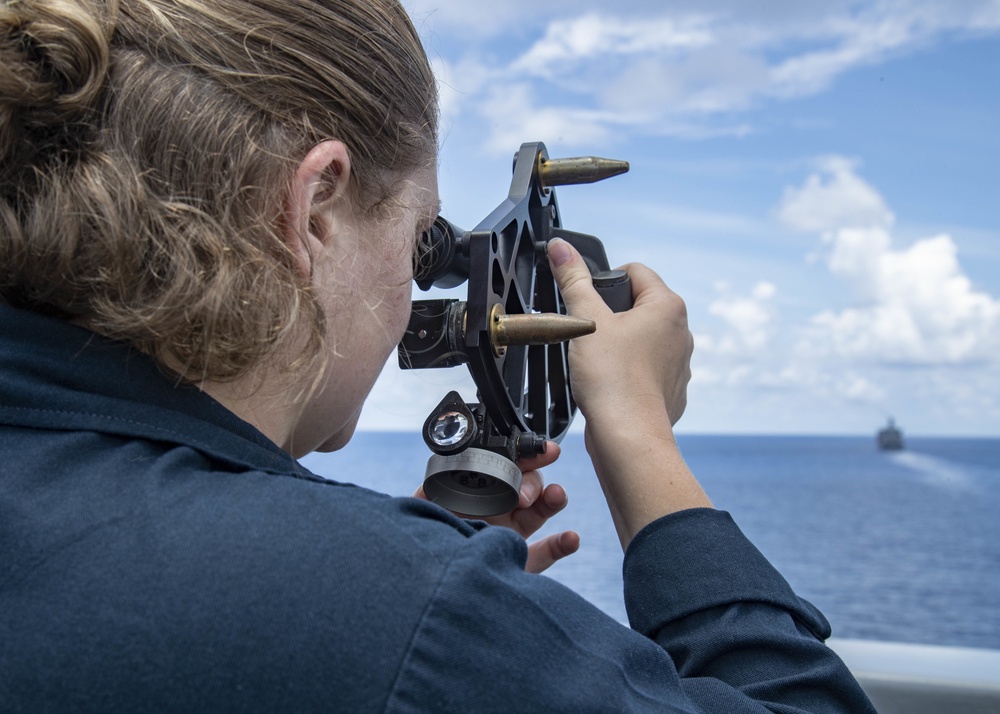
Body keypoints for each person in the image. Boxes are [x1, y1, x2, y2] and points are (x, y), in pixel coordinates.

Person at [0, 0, 876, 711]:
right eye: (425, 242)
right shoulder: (392, 607)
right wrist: (639, 433)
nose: (421, 294)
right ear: (315, 210)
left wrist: (394, 570)